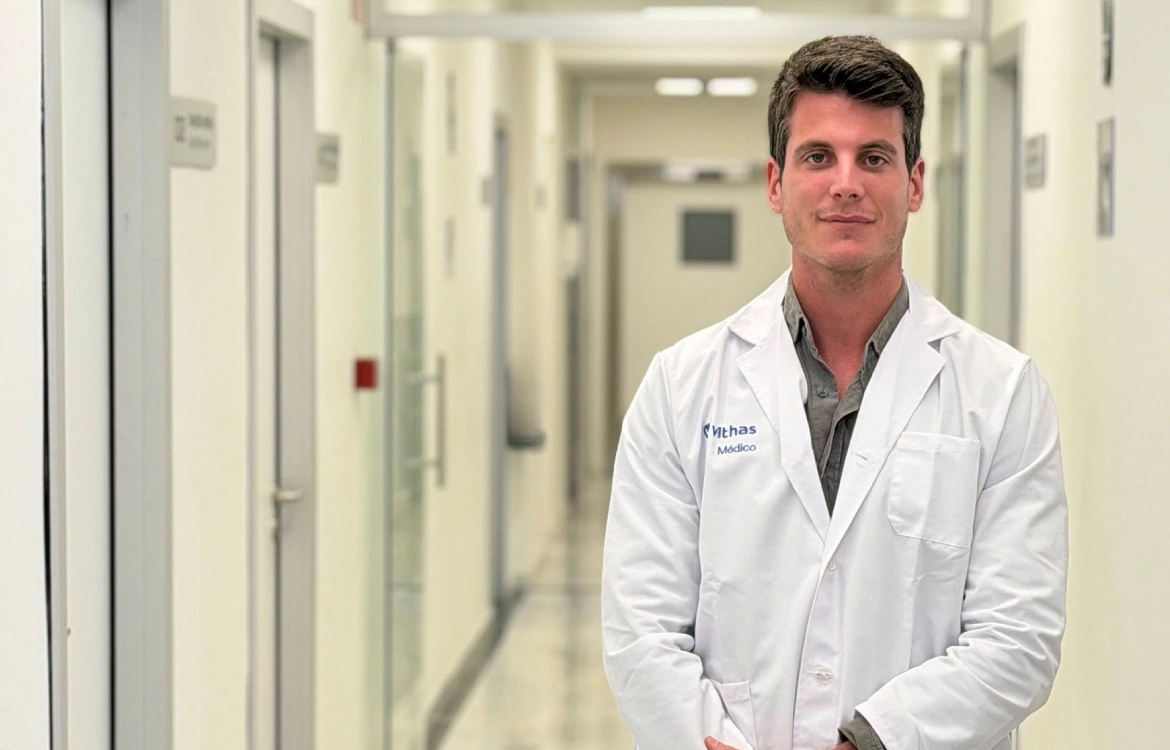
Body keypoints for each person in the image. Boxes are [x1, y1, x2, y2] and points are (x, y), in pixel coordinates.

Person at [600, 36, 1068, 750]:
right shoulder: (681, 386)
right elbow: (640, 627)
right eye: (818, 156)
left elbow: (1019, 640)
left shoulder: (1002, 394)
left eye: (873, 158)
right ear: (776, 183)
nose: (845, 183)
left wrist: (874, 741)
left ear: (915, 183)